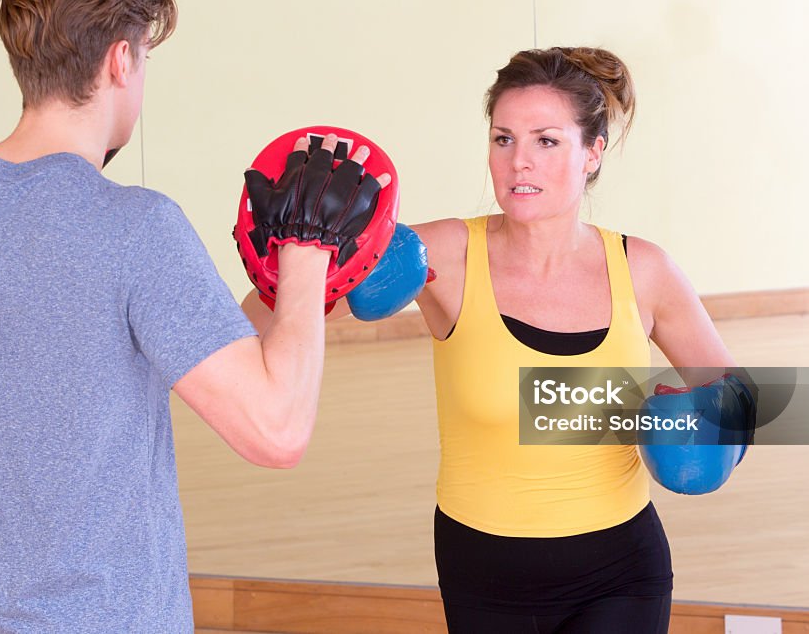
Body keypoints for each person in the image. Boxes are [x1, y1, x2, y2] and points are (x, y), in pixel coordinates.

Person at [0, 0, 385, 631]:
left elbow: (70, 348)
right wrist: (309, 251)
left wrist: (288, 294)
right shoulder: (134, 227)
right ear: (119, 62)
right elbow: (277, 430)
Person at [247, 46, 739, 632]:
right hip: (483, 576)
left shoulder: (644, 270)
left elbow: (734, 392)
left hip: (621, 572)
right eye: (503, 139)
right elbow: (254, 322)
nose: (518, 163)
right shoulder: (442, 256)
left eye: (546, 141)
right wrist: (302, 249)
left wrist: (694, 426)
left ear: (593, 153)